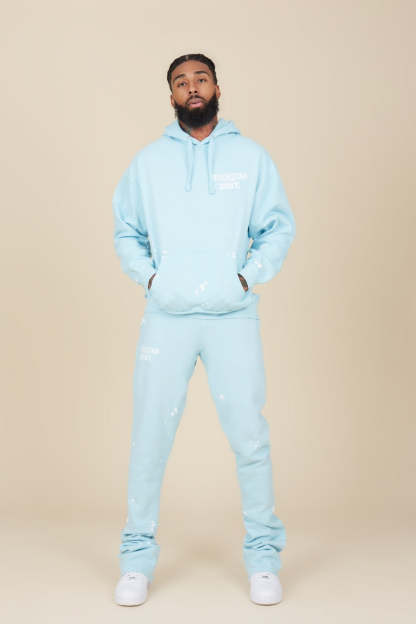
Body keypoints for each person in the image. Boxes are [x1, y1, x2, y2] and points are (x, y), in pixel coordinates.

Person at [112, 53, 296, 606]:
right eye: (180, 82)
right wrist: (152, 278)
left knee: (250, 438)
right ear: (170, 96)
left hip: (231, 315)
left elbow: (277, 227)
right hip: (166, 316)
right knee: (149, 439)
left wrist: (246, 277)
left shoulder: (251, 157)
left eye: (201, 79)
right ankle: (135, 560)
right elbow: (126, 231)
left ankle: (263, 560)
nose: (192, 88)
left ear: (217, 87)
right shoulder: (148, 163)